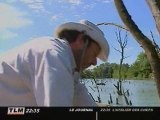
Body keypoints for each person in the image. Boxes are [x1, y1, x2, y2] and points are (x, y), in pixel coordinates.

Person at [0, 20, 109, 106]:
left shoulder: (68, 68)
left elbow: (82, 100)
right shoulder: (53, 54)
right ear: (82, 40)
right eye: (94, 54)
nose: (95, 62)